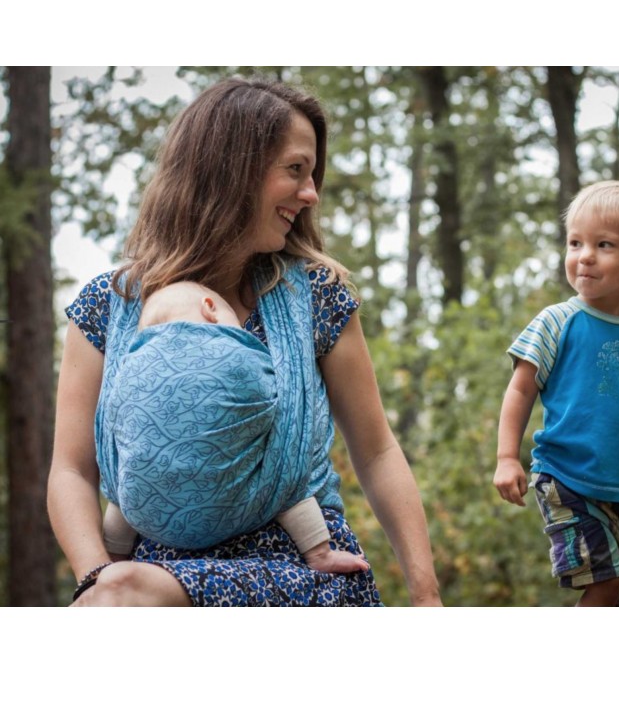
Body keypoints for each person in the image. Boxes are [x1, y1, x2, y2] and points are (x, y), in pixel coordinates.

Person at [48, 76, 442, 607]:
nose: (311, 193)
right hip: (149, 574)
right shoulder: (108, 305)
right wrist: (98, 580)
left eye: (312, 173)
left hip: (300, 563)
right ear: (233, 170)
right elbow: (72, 469)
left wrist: (426, 596)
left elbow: (375, 451)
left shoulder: (317, 298)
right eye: (296, 170)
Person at [493, 180, 619, 606]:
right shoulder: (557, 321)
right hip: (566, 477)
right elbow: (521, 390)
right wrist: (508, 457)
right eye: (575, 243)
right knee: (605, 584)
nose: (584, 256)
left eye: (604, 244)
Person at [100, 280, 368, 575]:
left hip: (147, 516)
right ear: (209, 309)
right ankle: (320, 554)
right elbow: (276, 400)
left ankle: (113, 559)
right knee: (284, 475)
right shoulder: (239, 355)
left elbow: (112, 423)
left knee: (122, 492)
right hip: (235, 510)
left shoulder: (127, 368)